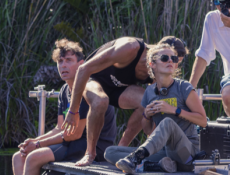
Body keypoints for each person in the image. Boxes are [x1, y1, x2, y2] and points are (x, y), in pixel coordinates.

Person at [4, 40, 118, 175]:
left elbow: (74, 134)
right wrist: (34, 140)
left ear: (81, 65)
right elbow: (60, 128)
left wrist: (38, 145)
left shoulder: (87, 87)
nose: (63, 65)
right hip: (73, 141)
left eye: (69, 61)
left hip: (92, 146)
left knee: (33, 157)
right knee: (19, 156)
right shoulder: (66, 89)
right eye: (60, 61)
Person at [66, 35, 185, 167]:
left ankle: (120, 151)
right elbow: (83, 69)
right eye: (166, 58)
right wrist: (73, 111)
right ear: (157, 52)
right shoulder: (130, 48)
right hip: (94, 80)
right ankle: (90, 154)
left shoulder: (159, 70)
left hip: (119, 89)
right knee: (101, 101)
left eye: (175, 61)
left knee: (146, 101)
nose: (171, 65)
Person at [107, 41, 208, 174]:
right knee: (110, 152)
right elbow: (148, 131)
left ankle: (137, 159)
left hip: (187, 155)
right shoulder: (149, 92)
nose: (170, 61)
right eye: (165, 58)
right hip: (165, 152)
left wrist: (174, 110)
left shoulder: (184, 87)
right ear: (152, 64)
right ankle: (159, 165)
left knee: (168, 123)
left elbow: (203, 121)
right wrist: (146, 116)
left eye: (174, 58)